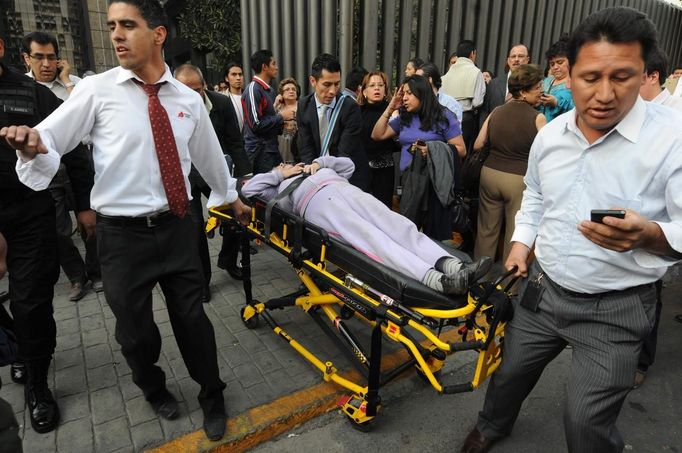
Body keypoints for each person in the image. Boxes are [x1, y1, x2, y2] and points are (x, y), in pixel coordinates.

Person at [2, 0, 251, 441]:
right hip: (120, 237)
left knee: (194, 321)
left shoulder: (187, 100)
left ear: (158, 35)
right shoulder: (98, 90)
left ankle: (212, 393)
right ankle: (152, 387)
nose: (116, 34)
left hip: (177, 226)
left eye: (127, 25)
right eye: (112, 25)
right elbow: (51, 139)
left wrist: (231, 199)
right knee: (135, 335)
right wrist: (30, 147)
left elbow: (210, 158)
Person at [460, 7, 682, 453]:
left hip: (615, 312)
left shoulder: (672, 140)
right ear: (568, 73)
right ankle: (491, 426)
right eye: (590, 76)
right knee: (508, 376)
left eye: (622, 76)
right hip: (544, 293)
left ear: (645, 75)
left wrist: (650, 235)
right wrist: (521, 245)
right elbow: (537, 198)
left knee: (585, 423)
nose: (604, 94)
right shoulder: (552, 134)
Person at [242, 157, 491, 294]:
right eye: (280, 164)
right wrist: (278, 175)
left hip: (343, 189)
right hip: (318, 207)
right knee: (373, 239)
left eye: (285, 164)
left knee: (397, 224)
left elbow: (349, 165)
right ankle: (438, 281)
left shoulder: (312, 167)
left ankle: (456, 266)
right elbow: (247, 190)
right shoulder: (275, 186)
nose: (285, 164)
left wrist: (321, 163)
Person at [0, 31, 64, 434]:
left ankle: (37, 383)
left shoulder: (31, 92)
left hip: (29, 214)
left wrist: (85, 206)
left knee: (31, 301)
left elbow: (69, 144)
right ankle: (19, 344)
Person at [22, 31, 101, 301]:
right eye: (39, 57)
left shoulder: (78, 85)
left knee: (90, 220)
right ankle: (77, 276)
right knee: (57, 229)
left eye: (51, 57)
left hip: (80, 162)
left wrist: (67, 81)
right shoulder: (23, 90)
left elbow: (86, 133)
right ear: (26, 59)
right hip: (47, 172)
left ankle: (96, 270)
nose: (46, 64)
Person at [371, 75, 465, 240]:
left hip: (433, 184)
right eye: (403, 93)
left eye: (409, 93)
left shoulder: (444, 116)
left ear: (422, 94)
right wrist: (391, 107)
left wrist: (432, 150)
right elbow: (377, 135)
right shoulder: (405, 117)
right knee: (408, 230)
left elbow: (461, 149)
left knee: (431, 233)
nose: (404, 98)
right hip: (409, 182)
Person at [472, 64, 546, 265]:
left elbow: (478, 144)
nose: (541, 91)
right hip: (518, 180)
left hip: (489, 175)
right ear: (523, 92)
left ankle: (479, 276)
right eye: (537, 87)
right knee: (515, 232)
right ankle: (508, 284)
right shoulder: (538, 118)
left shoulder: (496, 111)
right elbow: (548, 156)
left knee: (486, 229)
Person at [297, 53, 370, 191]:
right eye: (327, 84)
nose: (332, 91)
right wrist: (312, 171)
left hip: (348, 176)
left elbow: (345, 152)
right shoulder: (303, 106)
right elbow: (306, 146)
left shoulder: (350, 107)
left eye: (337, 84)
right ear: (313, 81)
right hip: (318, 176)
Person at [243, 49, 294, 174]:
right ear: (264, 67)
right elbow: (256, 125)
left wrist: (283, 125)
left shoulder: (269, 90)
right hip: (260, 151)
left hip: (271, 149)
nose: (277, 67)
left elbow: (267, 120)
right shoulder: (253, 89)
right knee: (264, 190)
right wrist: (281, 116)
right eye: (274, 64)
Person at [357, 71, 398, 207]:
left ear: (385, 91)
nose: (377, 88)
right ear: (364, 92)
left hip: (384, 170)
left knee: (383, 209)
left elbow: (398, 143)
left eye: (381, 85)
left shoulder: (392, 111)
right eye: (372, 85)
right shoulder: (357, 112)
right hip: (362, 170)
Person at [441, 40, 485, 152]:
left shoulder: (445, 76)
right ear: (472, 54)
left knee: (446, 152)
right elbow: (477, 102)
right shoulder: (476, 72)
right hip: (465, 120)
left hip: (443, 118)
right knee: (461, 154)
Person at [480, 44, 530, 125]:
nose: (516, 59)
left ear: (527, 60)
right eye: (513, 56)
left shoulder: (532, 85)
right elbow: (484, 112)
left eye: (520, 56)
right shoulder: (494, 84)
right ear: (508, 60)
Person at [537, 35, 575, 122]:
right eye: (552, 64)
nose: (555, 67)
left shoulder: (575, 83)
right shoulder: (547, 81)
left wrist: (556, 102)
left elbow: (579, 110)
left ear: (571, 60)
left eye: (560, 62)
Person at [275, 77, 300, 163]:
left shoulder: (302, 107)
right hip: (281, 151)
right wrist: (275, 104)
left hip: (298, 152)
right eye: (287, 89)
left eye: (293, 89)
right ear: (281, 94)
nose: (291, 91)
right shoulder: (277, 109)